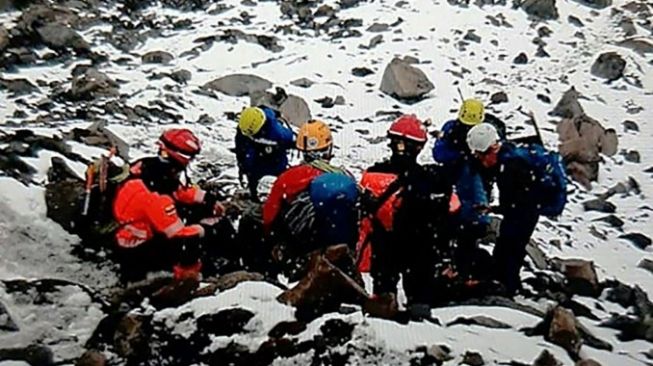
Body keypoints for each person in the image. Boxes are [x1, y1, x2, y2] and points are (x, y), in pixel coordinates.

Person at [112, 128, 234, 283]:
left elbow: (178, 190)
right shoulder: (156, 195)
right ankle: (195, 277)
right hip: (137, 250)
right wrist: (207, 230)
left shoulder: (150, 168)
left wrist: (208, 200)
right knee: (198, 238)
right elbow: (181, 236)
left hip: (138, 228)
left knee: (201, 215)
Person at [359, 115, 454, 307]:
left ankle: (381, 322)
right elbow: (445, 217)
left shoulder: (371, 174)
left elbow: (364, 214)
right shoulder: (430, 179)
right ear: (419, 147)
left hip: (382, 246)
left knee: (383, 297)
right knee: (419, 300)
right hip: (419, 248)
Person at [466, 123, 567, 295]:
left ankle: (508, 287)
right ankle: (507, 283)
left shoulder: (511, 168)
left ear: (491, 149)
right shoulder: (509, 155)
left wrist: (498, 209)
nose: (480, 160)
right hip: (527, 209)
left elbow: (516, 203)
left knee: (510, 248)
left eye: (480, 155)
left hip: (525, 212)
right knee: (510, 247)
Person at [259, 120, 359, 278]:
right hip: (341, 246)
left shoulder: (287, 178)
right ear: (329, 148)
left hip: (301, 248)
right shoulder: (344, 177)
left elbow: (268, 217)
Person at [432, 99, 503, 280]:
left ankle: (462, 267)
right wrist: (462, 154)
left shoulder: (489, 133)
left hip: (474, 185)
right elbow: (438, 153)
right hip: (452, 182)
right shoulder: (451, 130)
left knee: (470, 227)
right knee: (449, 221)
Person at [235, 106, 295, 202]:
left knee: (275, 197)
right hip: (252, 168)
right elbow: (240, 146)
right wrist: (242, 164)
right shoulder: (245, 127)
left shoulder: (278, 133)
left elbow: (291, 140)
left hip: (274, 168)